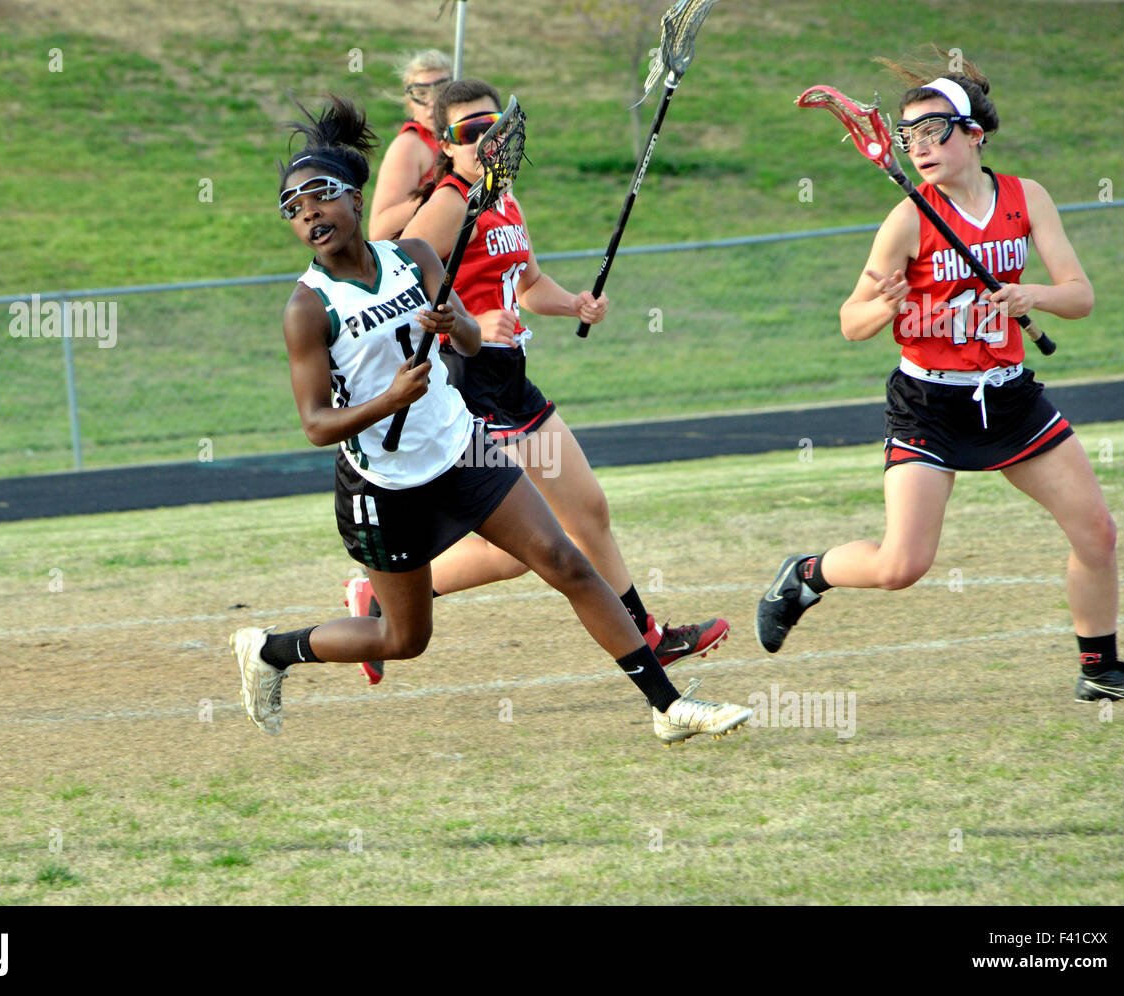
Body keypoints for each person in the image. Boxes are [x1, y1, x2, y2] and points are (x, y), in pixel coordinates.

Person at [230, 94, 753, 747]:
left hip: (461, 453)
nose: (308, 211)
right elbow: (315, 424)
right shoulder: (308, 308)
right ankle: (272, 652)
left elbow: (474, 342)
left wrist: (457, 326)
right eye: (294, 207)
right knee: (405, 638)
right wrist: (388, 400)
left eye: (321, 195)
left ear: (356, 201)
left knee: (564, 558)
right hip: (381, 487)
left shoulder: (415, 258)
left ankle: (667, 707)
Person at [755, 57, 1124, 703]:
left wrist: (1032, 297)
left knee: (1097, 533)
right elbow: (850, 323)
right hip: (929, 403)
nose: (918, 147)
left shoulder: (1028, 199)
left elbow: (1080, 296)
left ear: (974, 133)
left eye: (932, 131)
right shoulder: (909, 218)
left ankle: (1100, 670)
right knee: (901, 566)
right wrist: (884, 304)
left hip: (1009, 395)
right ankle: (806, 574)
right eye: (908, 136)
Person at [343, 78, 730, 686]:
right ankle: (380, 594)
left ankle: (646, 635)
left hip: (512, 380)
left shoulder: (504, 199)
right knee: (531, 546)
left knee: (583, 514)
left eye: (494, 128)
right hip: (466, 383)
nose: (486, 141)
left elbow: (526, 283)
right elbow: (398, 286)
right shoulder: (448, 204)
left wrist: (573, 304)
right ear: (446, 145)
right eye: (470, 133)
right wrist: (467, 323)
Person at [368, 49, 452, 241]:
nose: (432, 101)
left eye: (441, 90)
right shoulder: (410, 146)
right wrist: (441, 194)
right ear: (410, 101)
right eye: (421, 93)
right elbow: (380, 231)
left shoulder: (462, 140)